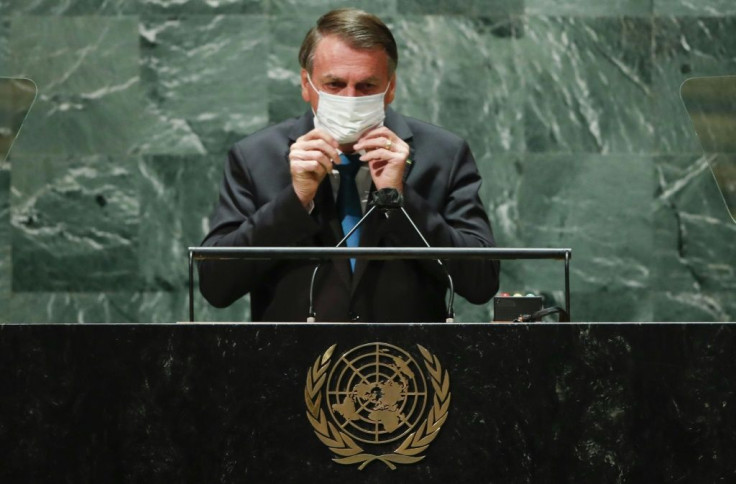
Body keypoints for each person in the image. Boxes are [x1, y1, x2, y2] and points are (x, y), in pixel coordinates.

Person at [198, 8, 500, 322]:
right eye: (334, 84)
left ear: (391, 87)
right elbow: (216, 286)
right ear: (306, 84)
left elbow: (481, 283)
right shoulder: (254, 157)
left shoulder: (443, 155)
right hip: (291, 363)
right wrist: (296, 200)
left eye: (367, 86)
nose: (350, 98)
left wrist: (400, 198)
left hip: (406, 364)